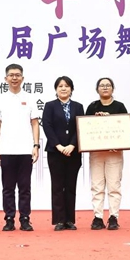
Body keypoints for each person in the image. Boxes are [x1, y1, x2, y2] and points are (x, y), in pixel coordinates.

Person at [0, 64, 41, 232]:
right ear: (6, 78)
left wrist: (36, 145)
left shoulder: (30, 98)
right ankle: (9, 218)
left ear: (23, 78)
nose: (14, 78)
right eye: (11, 75)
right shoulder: (0, 99)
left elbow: (35, 123)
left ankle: (25, 219)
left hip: (25, 150)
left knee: (25, 187)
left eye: (18, 75)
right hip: (6, 150)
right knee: (8, 188)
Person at [85, 77, 128, 231]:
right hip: (96, 152)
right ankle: (97, 217)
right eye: (102, 85)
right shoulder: (92, 107)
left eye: (108, 85)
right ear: (97, 89)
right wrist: (96, 120)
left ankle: (113, 217)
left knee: (114, 185)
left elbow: (125, 129)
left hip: (114, 153)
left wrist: (110, 121)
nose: (105, 88)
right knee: (97, 186)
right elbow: (85, 128)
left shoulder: (119, 106)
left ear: (112, 88)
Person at [42, 76, 84, 231]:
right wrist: (58, 145)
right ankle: (59, 220)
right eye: (60, 86)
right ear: (56, 89)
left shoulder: (78, 107)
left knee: (71, 186)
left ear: (71, 89)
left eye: (67, 86)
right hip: (55, 152)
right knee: (58, 186)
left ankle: (69, 220)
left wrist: (72, 144)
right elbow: (47, 126)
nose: (64, 88)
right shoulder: (50, 106)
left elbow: (80, 126)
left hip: (73, 152)